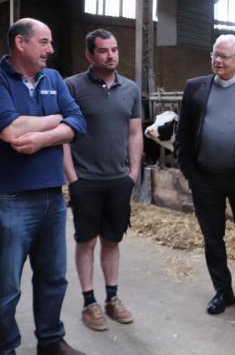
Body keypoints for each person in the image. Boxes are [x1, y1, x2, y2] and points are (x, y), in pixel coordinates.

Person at [0, 18, 86, 355]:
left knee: (53, 277)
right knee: (6, 286)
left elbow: (78, 121)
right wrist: (57, 120)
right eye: (44, 42)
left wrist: (43, 138)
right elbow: (11, 130)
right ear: (21, 43)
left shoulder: (53, 78)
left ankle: (50, 340)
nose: (51, 50)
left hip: (53, 195)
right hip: (10, 197)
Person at [175, 34, 235, 322]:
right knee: (212, 238)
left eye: (224, 56)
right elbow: (182, 134)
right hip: (205, 177)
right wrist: (190, 172)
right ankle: (223, 291)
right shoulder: (195, 87)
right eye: (214, 55)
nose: (217, 61)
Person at [63, 29, 143, 332]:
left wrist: (133, 174)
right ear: (89, 56)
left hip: (118, 179)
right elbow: (64, 136)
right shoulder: (72, 87)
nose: (111, 56)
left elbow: (135, 133)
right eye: (103, 51)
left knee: (112, 239)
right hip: (86, 180)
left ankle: (112, 298)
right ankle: (89, 302)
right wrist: (72, 178)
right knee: (86, 241)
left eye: (114, 49)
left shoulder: (131, 89)